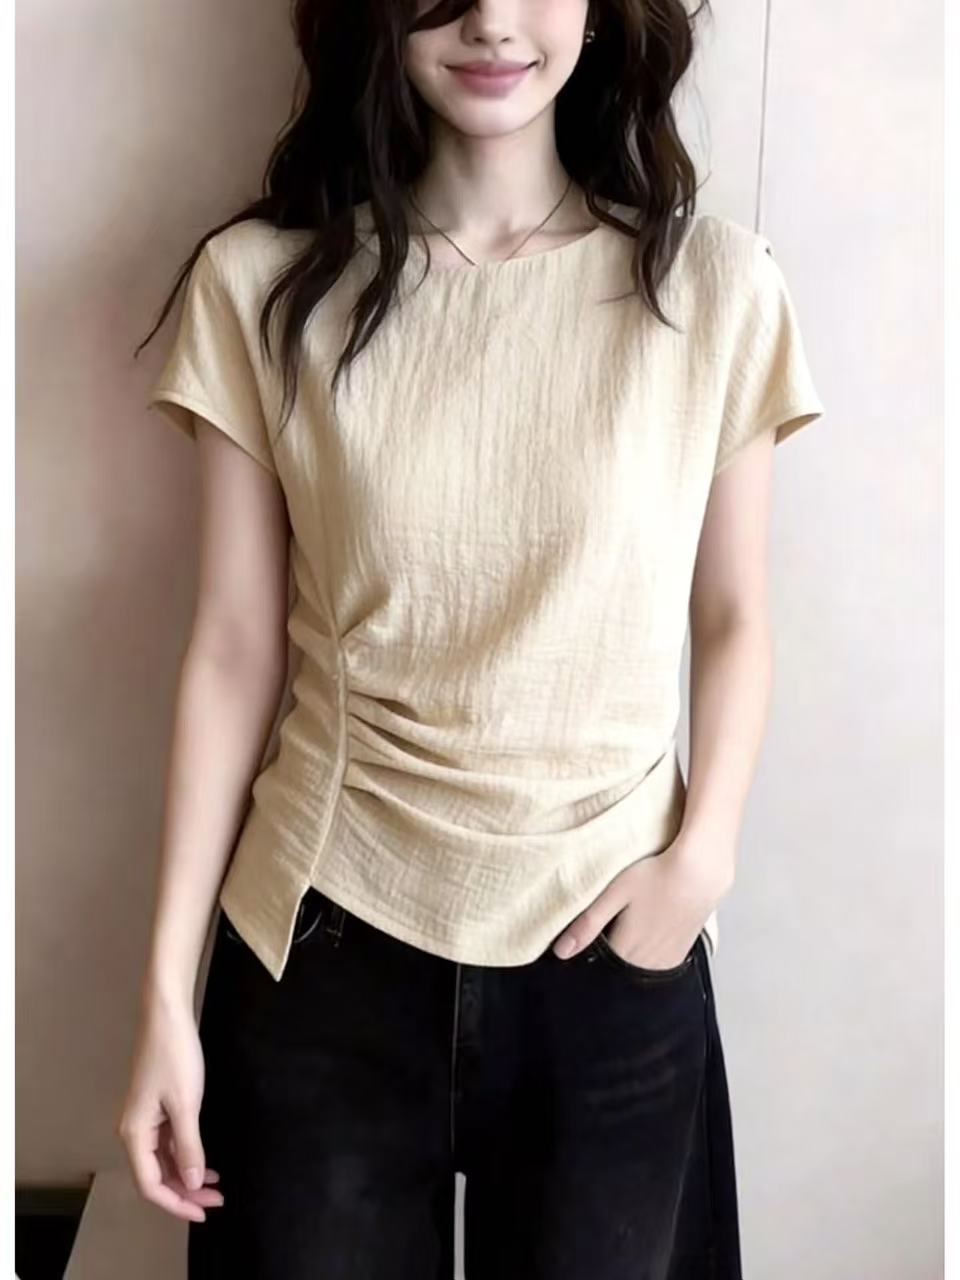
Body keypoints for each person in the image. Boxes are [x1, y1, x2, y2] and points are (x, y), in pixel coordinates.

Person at [117, 1, 825, 1277]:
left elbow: (732, 617)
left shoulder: (715, 286)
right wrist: (165, 993)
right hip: (324, 939)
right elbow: (231, 645)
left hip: (611, 936)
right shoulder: (262, 286)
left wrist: (701, 863)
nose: (493, 19)